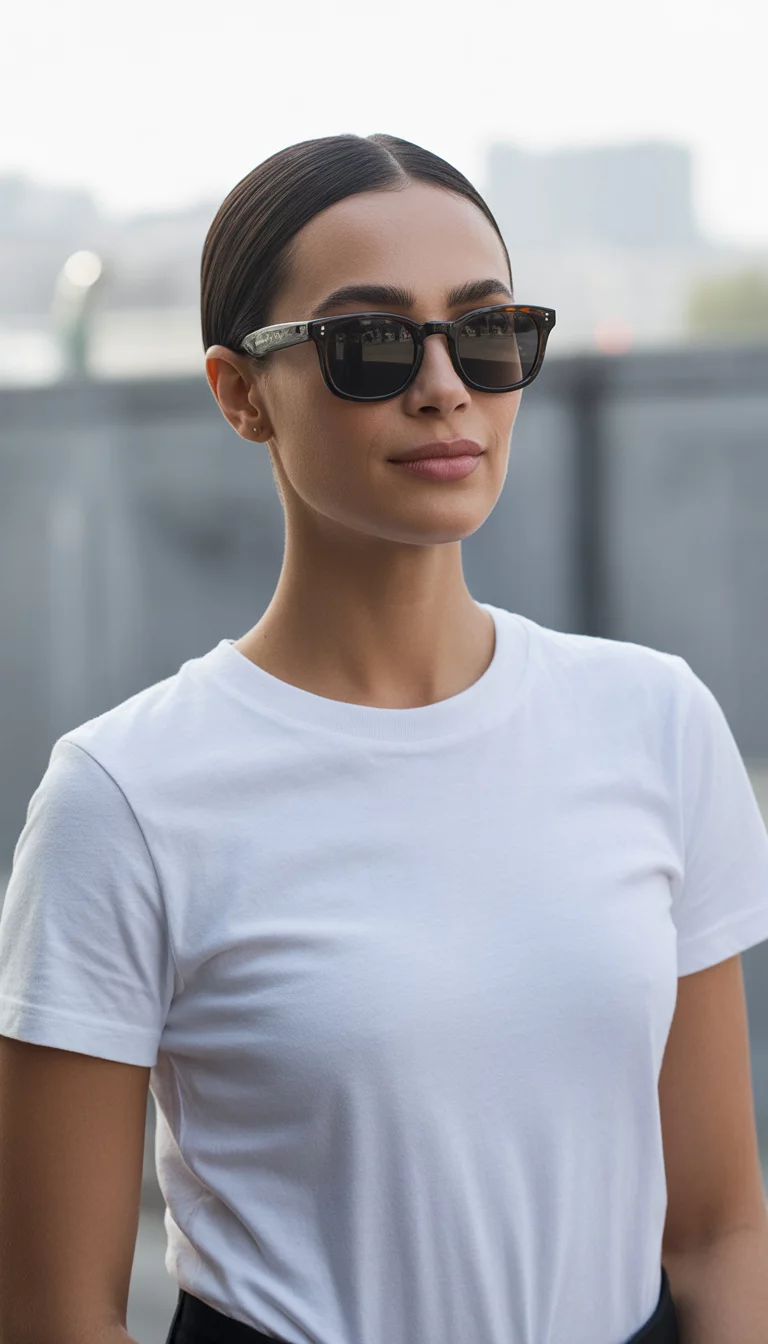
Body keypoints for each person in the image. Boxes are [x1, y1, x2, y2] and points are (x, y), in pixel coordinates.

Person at [1, 132, 768, 1344]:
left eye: (486, 331)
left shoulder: (656, 724)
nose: (444, 384)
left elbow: (721, 1228)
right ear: (240, 391)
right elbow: (55, 1314)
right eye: (367, 343)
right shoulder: (125, 795)